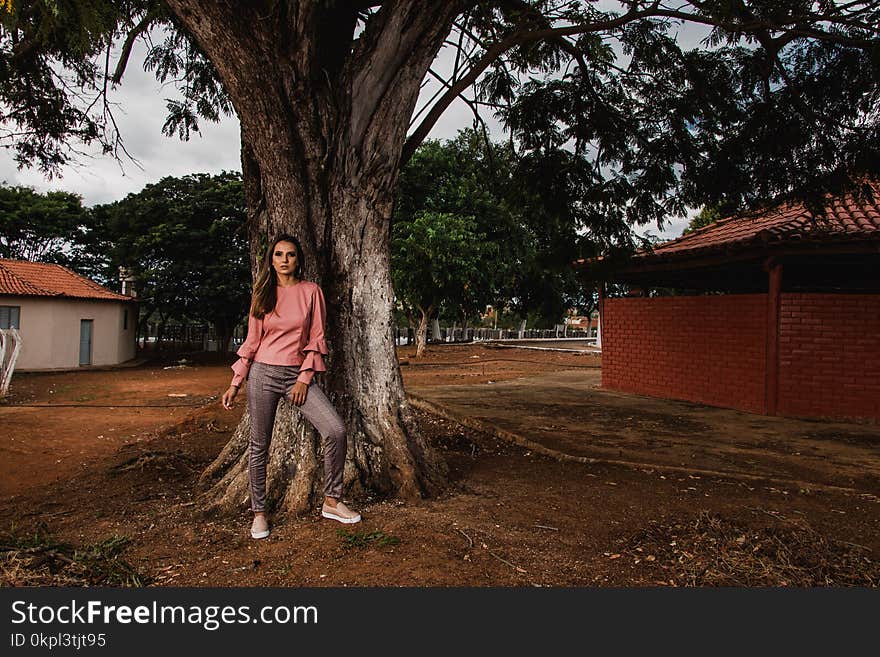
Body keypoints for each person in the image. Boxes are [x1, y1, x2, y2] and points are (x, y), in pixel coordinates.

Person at [220, 233, 361, 539]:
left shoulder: (311, 292)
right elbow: (252, 342)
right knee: (259, 446)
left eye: (291, 255)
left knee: (335, 429)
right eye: (279, 254)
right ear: (271, 260)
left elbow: (317, 338)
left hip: (296, 375)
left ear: (299, 260)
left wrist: (303, 378)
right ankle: (259, 513)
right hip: (262, 375)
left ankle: (331, 501)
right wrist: (235, 382)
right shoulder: (262, 294)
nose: (285, 260)